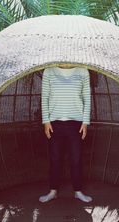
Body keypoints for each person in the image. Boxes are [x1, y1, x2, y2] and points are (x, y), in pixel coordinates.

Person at [39, 64, 92, 203]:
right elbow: (44, 97)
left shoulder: (83, 71)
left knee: (76, 159)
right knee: (55, 159)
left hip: (77, 123)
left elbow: (87, 98)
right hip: (54, 123)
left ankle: (78, 191)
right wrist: (46, 121)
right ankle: (52, 191)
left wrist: (85, 122)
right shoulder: (49, 71)